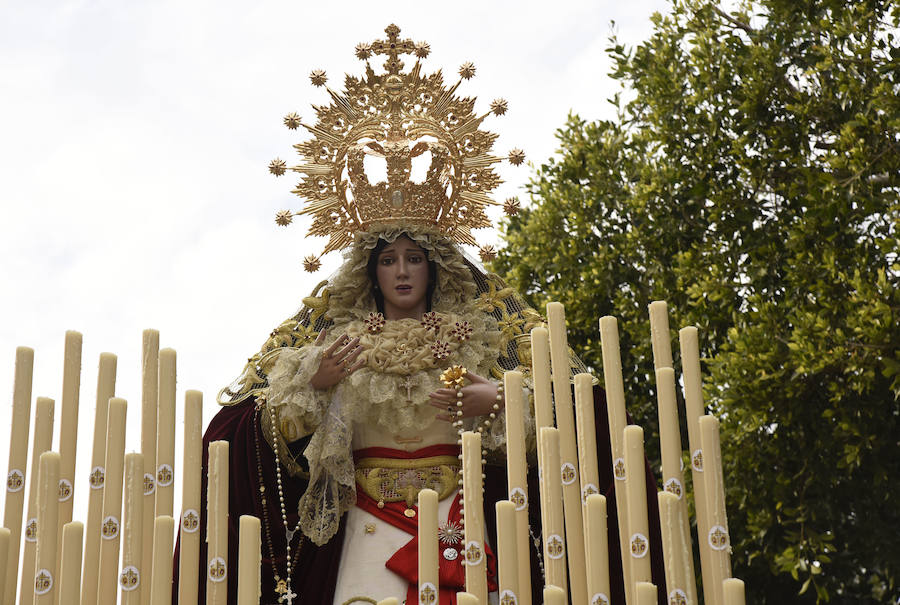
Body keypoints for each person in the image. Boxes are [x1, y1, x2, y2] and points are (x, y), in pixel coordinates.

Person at [173, 24, 667, 605]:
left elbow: (577, 414)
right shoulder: (334, 343)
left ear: (435, 268)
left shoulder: (482, 339)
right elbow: (246, 432)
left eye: (414, 258)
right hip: (366, 534)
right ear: (370, 270)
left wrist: (504, 400)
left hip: (462, 528)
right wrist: (316, 383)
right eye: (388, 260)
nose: (402, 271)